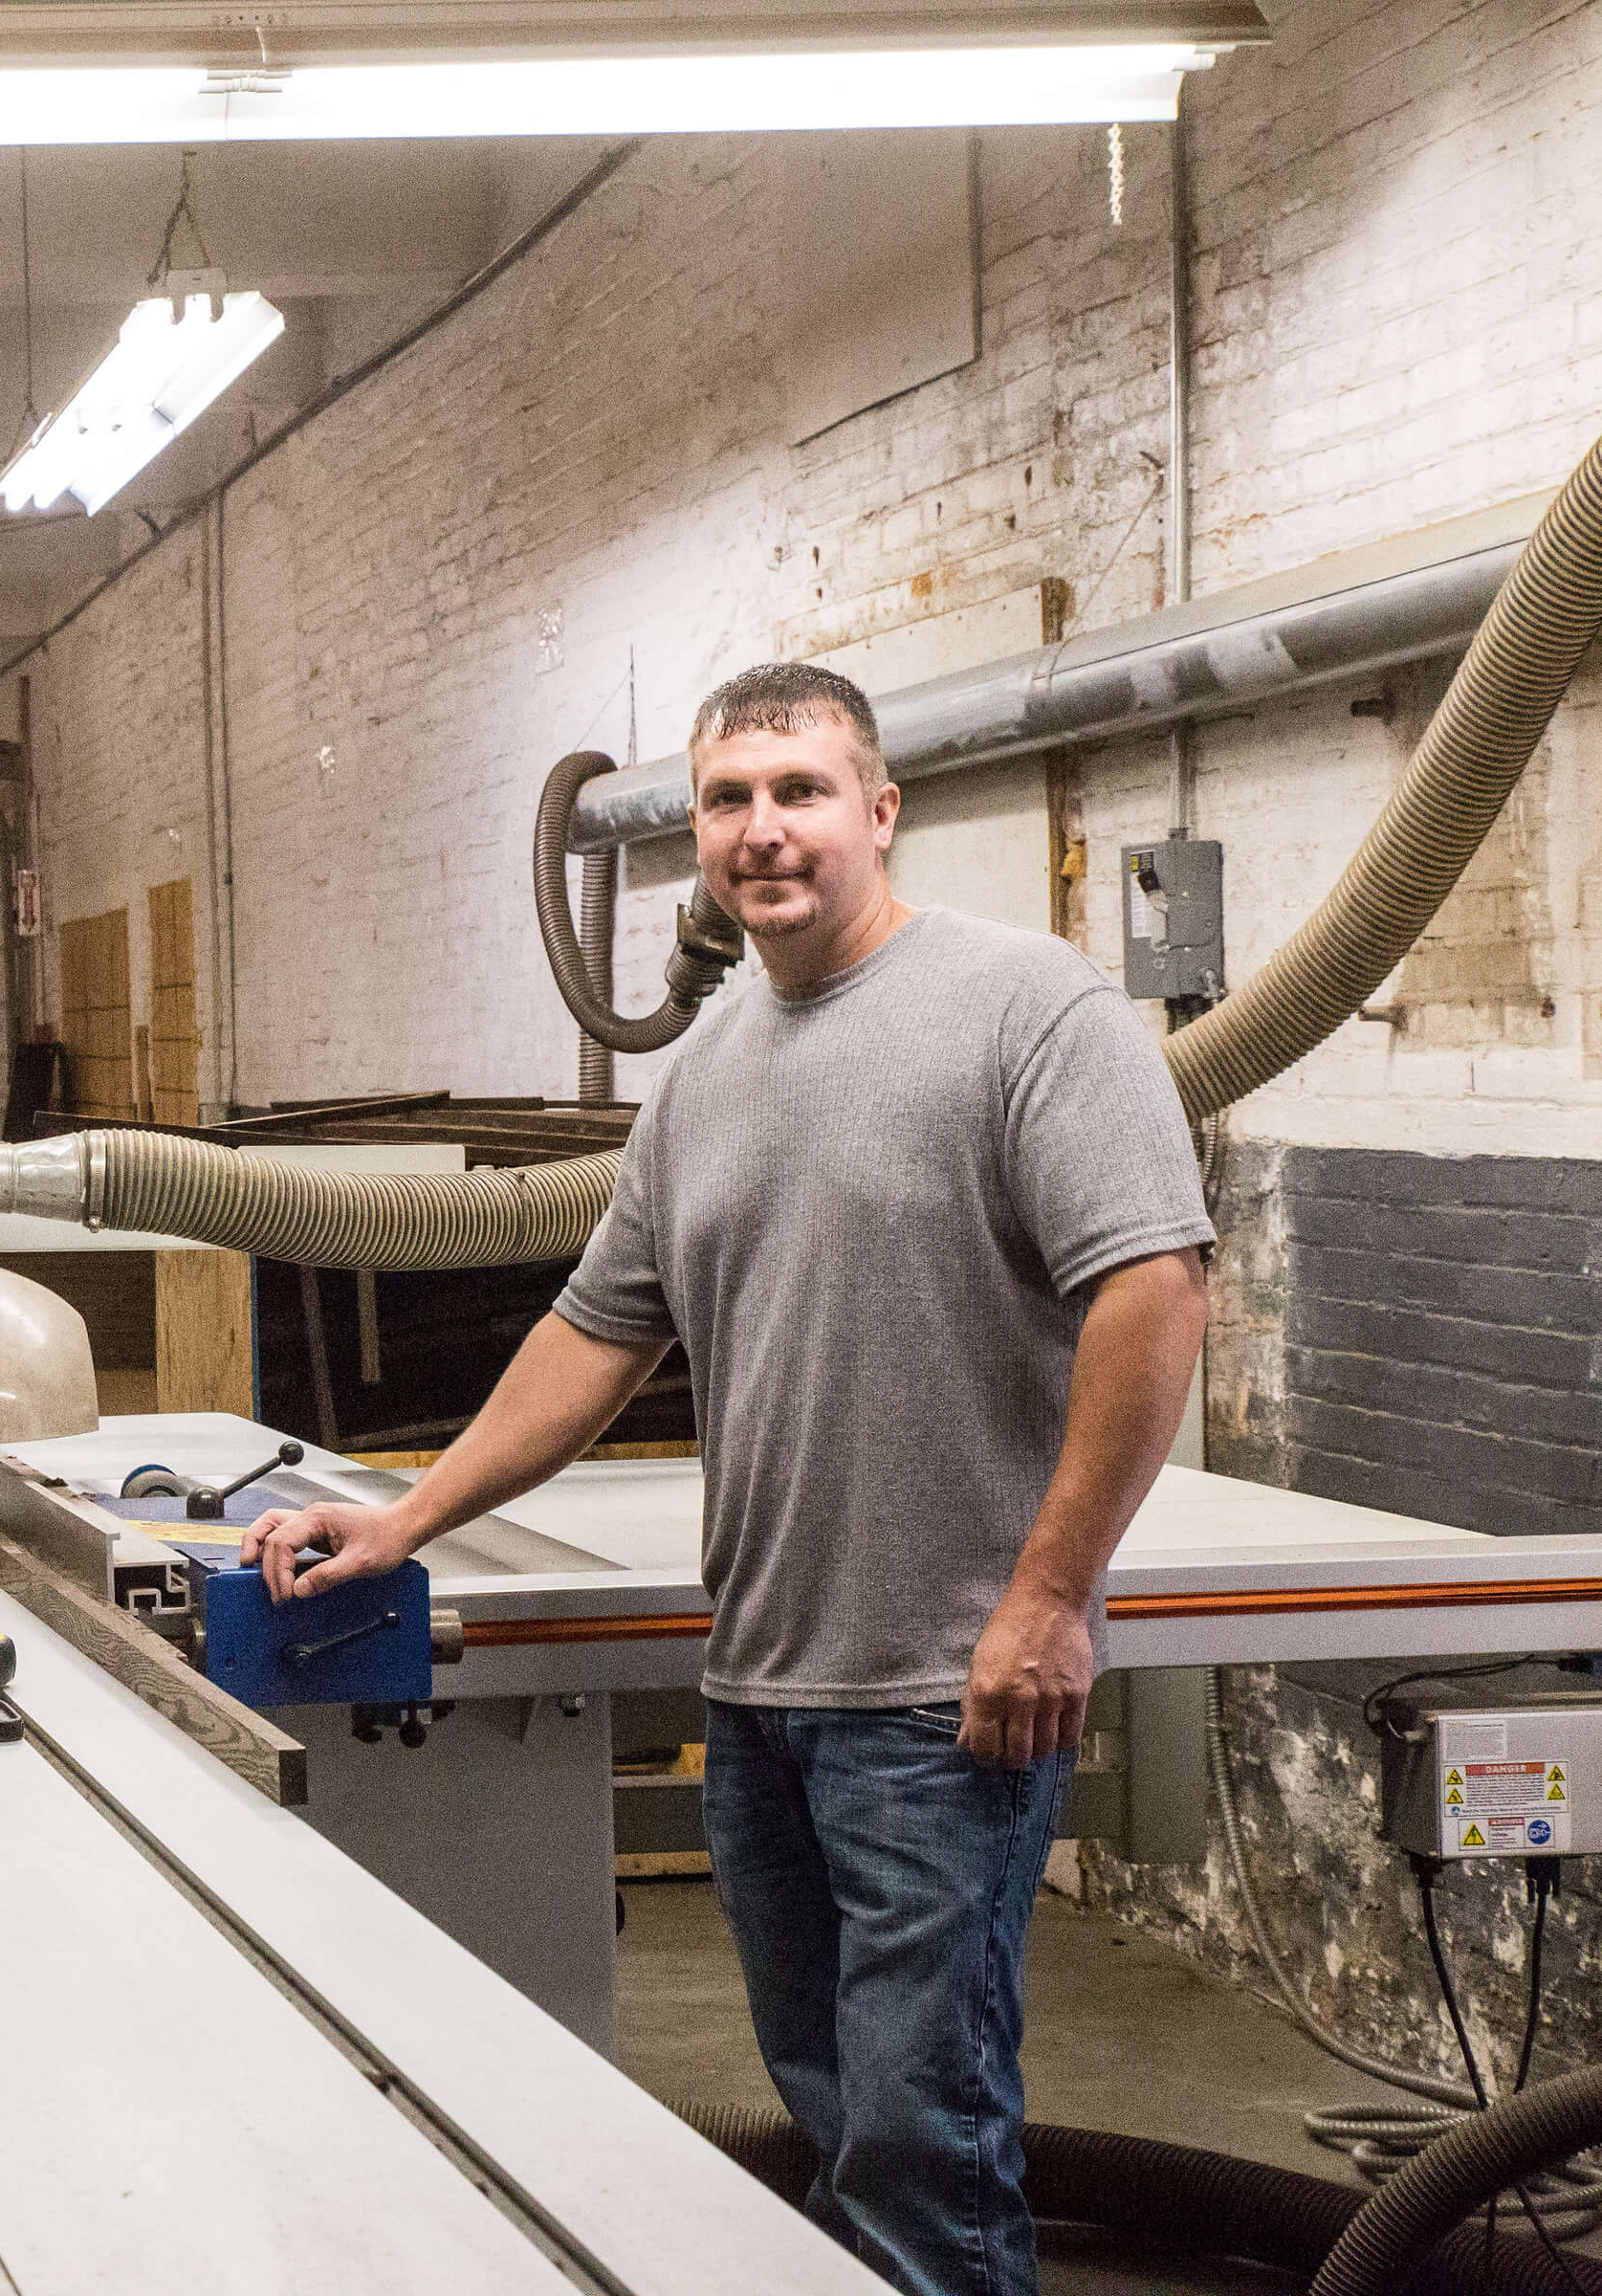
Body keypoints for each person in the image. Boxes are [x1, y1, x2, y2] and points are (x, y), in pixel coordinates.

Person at [244, 664, 1210, 2296]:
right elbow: (593, 1334)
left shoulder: (1026, 1007)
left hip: (943, 1696)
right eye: (727, 800)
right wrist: (405, 1515)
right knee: (837, 2119)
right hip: (756, 1689)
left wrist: (1047, 1598)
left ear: (881, 811)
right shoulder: (703, 1067)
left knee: (925, 2139)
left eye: (802, 791)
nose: (764, 831)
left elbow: (1156, 1289)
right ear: (695, 834)